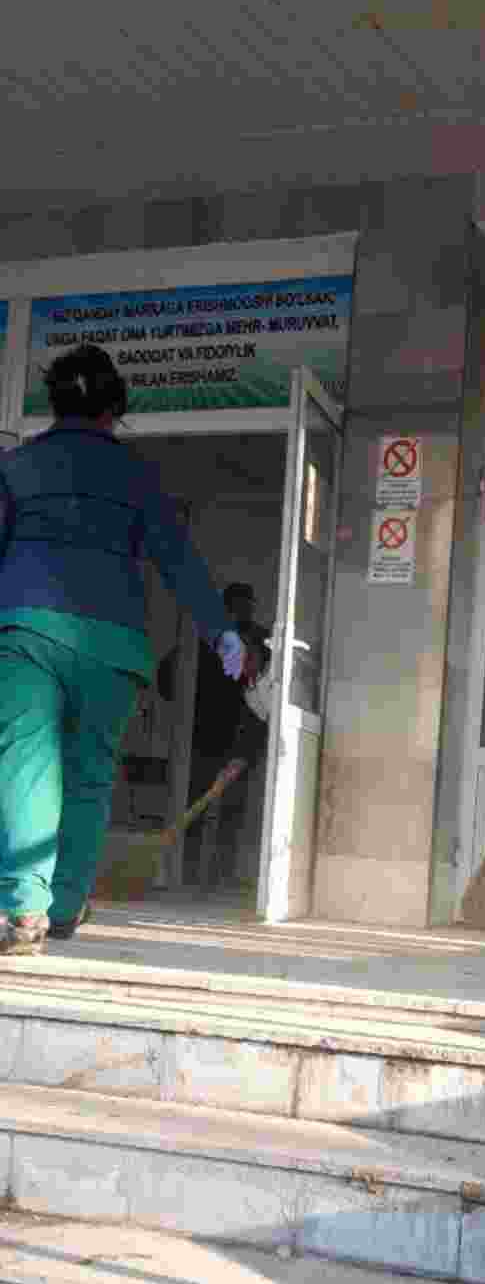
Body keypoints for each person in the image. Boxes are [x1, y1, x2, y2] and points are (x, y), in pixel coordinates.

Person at [0, 344, 248, 952]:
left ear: (53, 403)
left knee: (27, 767)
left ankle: (21, 908)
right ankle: (63, 907)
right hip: (112, 646)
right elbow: (178, 560)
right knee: (88, 776)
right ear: (115, 410)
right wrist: (223, 631)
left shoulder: (15, 467)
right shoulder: (137, 474)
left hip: (26, 631)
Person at [157, 581, 271, 886]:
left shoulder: (236, 640)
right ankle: (200, 875)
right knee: (205, 808)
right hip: (209, 735)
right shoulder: (208, 639)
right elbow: (168, 678)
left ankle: (210, 876)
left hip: (228, 736)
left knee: (224, 811)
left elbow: (166, 680)